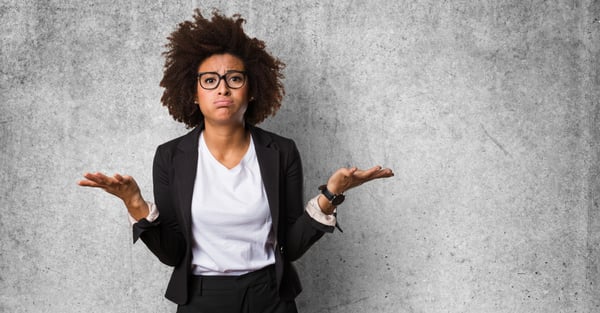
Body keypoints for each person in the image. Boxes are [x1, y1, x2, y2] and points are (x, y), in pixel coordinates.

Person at [79, 9, 393, 313]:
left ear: (252, 89)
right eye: (210, 81)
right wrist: (135, 204)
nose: (223, 89)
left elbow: (292, 247)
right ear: (193, 93)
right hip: (202, 298)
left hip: (270, 296)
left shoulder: (281, 151)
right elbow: (173, 253)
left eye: (234, 79)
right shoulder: (170, 157)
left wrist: (330, 197)